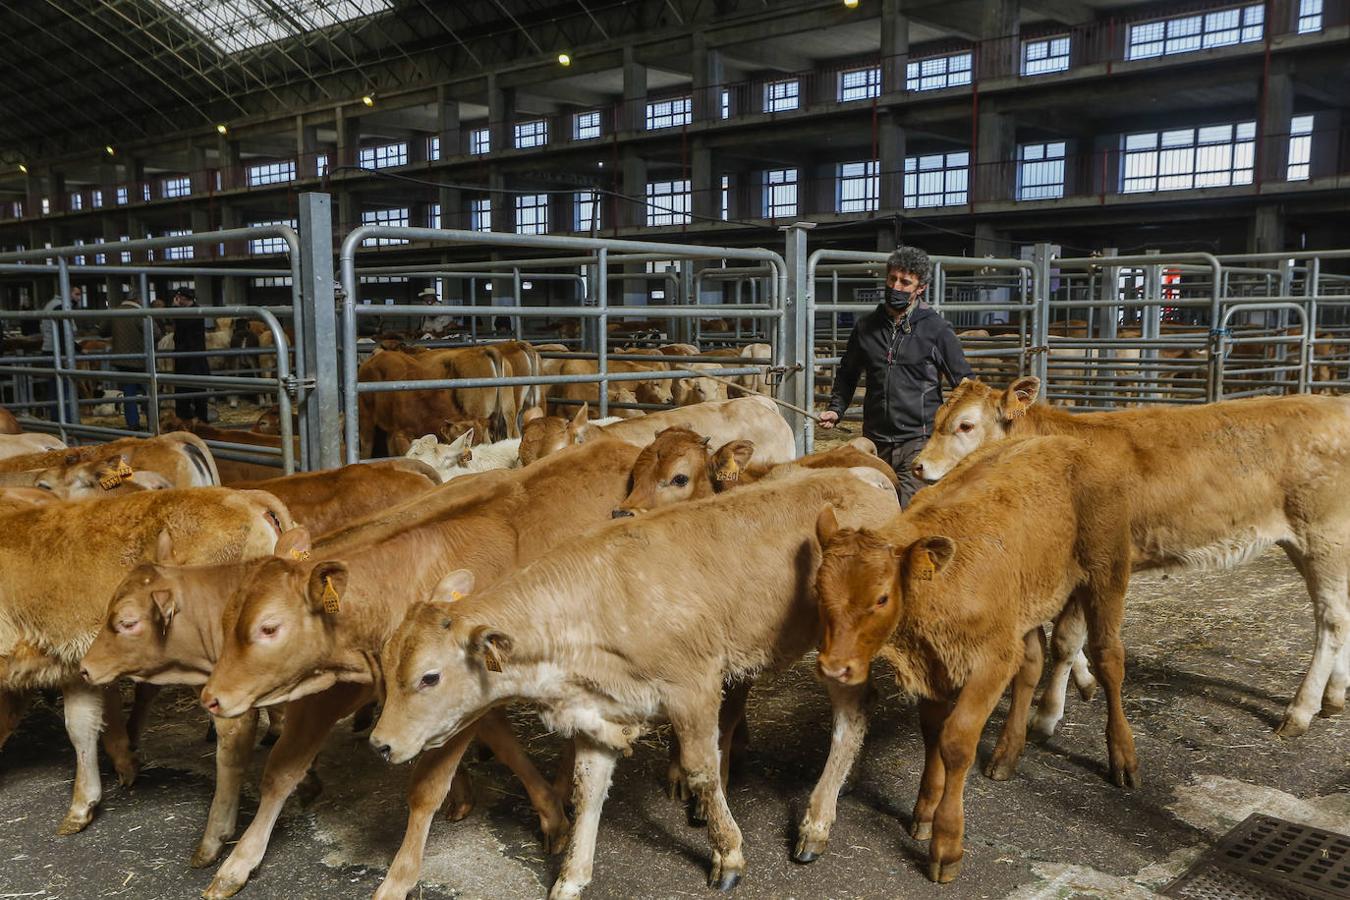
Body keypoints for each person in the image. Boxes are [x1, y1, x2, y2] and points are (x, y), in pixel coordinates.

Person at [819, 245, 973, 507]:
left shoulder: (936, 329)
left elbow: (965, 383)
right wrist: (836, 408)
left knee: (908, 509)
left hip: (918, 439)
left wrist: (955, 430)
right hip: (874, 441)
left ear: (920, 288)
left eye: (905, 282)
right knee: (871, 508)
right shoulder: (866, 327)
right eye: (892, 279)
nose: (896, 286)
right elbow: (848, 373)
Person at [170, 287, 210, 423]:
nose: (177, 300)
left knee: (196, 395)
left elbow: (181, 323)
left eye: (178, 297)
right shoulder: (192, 310)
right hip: (187, 359)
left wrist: (174, 308)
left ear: (182, 298)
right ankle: (185, 422)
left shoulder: (194, 312)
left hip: (193, 360)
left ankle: (201, 424)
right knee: (184, 395)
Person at [109, 296, 149, 430]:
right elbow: (156, 333)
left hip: (122, 360)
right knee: (149, 392)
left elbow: (102, 331)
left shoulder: (114, 312)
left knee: (128, 393)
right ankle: (153, 421)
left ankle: (133, 423)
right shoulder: (140, 313)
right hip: (141, 359)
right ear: (138, 301)